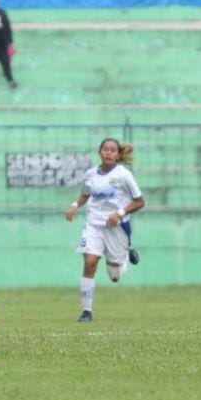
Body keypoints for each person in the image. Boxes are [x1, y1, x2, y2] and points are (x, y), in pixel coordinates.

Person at [65, 138, 145, 322]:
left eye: (112, 150)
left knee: (115, 274)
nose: (108, 153)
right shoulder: (90, 174)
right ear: (100, 152)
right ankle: (86, 312)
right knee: (90, 262)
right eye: (105, 149)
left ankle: (123, 258)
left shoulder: (124, 175)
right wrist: (75, 205)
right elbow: (85, 194)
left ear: (118, 154)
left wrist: (119, 213)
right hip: (94, 225)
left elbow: (140, 201)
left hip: (116, 227)